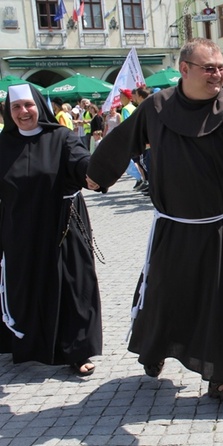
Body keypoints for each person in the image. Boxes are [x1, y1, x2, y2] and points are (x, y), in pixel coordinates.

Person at [86, 37, 223, 408]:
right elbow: (124, 140)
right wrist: (97, 174)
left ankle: (221, 380)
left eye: (221, 68)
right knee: (163, 296)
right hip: (173, 227)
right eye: (210, 68)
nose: (219, 74)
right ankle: (154, 348)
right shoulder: (156, 107)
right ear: (185, 69)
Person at [0, 84, 102, 376]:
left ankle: (78, 351)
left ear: (40, 107)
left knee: (73, 288)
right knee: (25, 287)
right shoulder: (3, 145)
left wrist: (92, 173)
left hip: (62, 228)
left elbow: (81, 161)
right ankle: (24, 343)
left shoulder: (61, 137)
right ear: (9, 111)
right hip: (20, 231)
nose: (23, 112)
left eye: (28, 106)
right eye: (16, 107)